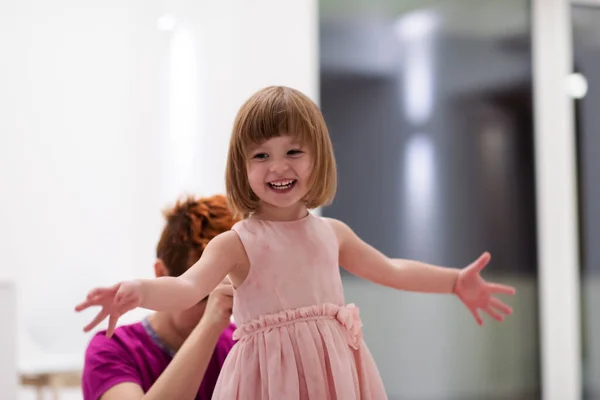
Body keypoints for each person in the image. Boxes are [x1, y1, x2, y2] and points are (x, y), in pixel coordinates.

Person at [76, 86, 517, 399]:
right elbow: (188, 287)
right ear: (242, 167)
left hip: (334, 376)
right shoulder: (238, 242)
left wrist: (456, 281)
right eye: (261, 155)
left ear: (318, 156)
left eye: (293, 151)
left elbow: (393, 270)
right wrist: (137, 291)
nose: (277, 166)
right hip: (267, 382)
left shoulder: (331, 234)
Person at [80, 194, 238, 400]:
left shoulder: (237, 344)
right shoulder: (111, 350)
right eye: (204, 297)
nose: (219, 307)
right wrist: (210, 324)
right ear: (162, 274)